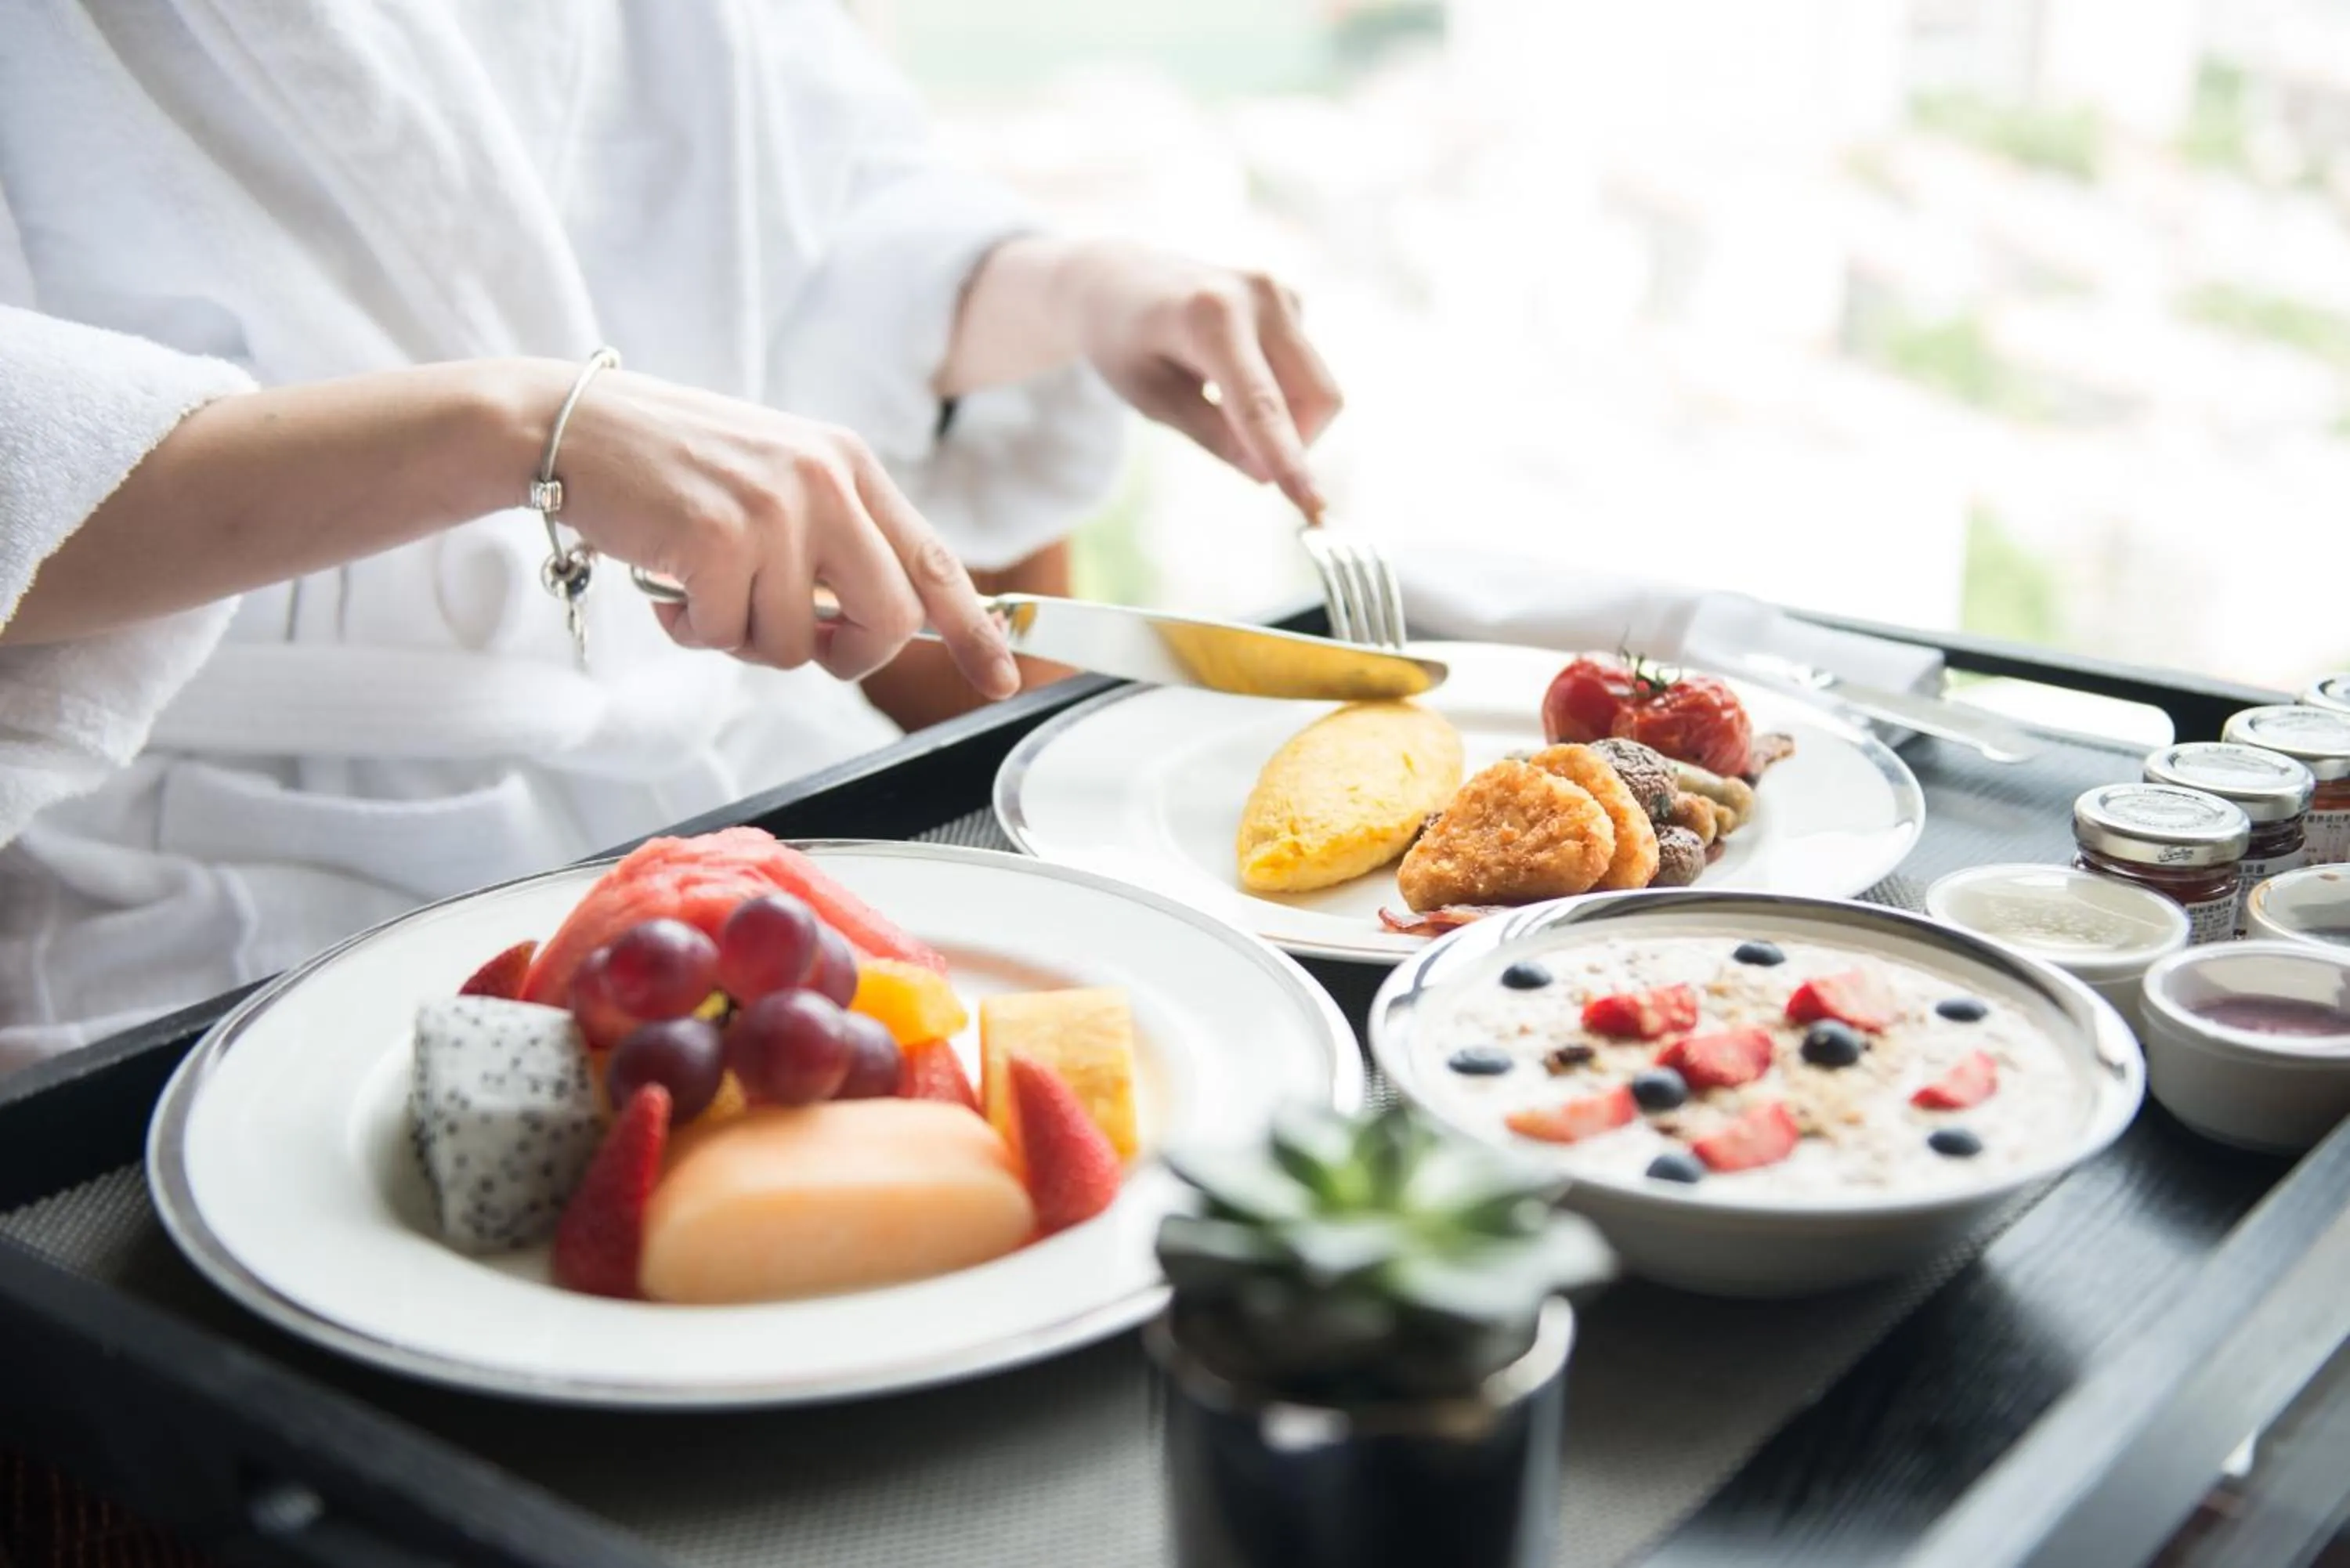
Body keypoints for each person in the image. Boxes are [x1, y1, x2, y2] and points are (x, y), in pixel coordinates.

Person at [0, 2, 1343, 1068]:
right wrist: (523, 427)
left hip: (736, 790)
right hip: (206, 904)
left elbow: (820, 230)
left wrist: (1076, 285)